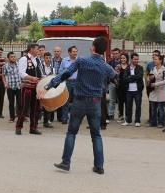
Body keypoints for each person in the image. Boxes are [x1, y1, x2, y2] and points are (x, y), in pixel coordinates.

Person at [41, 36, 116, 174]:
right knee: (96, 135)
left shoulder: (82, 60)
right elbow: (115, 78)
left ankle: (66, 162)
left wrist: (49, 85)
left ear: (93, 47)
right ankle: (99, 166)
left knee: (71, 132)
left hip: (80, 102)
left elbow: (66, 73)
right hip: (95, 103)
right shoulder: (106, 66)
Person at [16, 44, 43, 135]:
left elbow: (40, 72)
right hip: (27, 87)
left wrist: (44, 78)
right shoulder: (24, 59)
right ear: (31, 49)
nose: (38, 51)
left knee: (35, 109)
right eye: (37, 49)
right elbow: (21, 73)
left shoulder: (37, 59)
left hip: (37, 88)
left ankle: (33, 128)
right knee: (24, 108)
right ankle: (18, 127)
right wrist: (32, 78)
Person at [122, 53, 144, 127]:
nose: (136, 60)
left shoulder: (140, 68)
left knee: (138, 106)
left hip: (138, 90)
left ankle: (137, 121)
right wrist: (133, 78)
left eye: (137, 59)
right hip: (129, 90)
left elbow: (140, 77)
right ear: (131, 59)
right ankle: (128, 120)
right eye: (135, 59)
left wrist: (130, 77)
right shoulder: (127, 68)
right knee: (128, 106)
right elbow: (124, 79)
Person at [59, 46, 79, 124]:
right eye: (73, 51)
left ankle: (76, 119)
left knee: (77, 102)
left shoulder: (79, 61)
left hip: (77, 83)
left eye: (76, 51)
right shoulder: (64, 60)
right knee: (65, 101)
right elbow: (60, 71)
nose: (75, 53)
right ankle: (64, 118)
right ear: (69, 52)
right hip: (68, 83)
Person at [148, 54, 165, 128]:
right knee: (153, 108)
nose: (154, 60)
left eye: (156, 59)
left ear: (160, 60)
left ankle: (161, 122)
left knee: (161, 108)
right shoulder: (153, 69)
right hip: (153, 91)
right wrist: (149, 79)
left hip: (161, 91)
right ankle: (153, 122)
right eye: (154, 59)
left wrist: (156, 84)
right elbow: (149, 77)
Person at [3, 52, 22, 123]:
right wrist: (5, 83)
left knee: (20, 103)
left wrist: (22, 83)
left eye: (14, 56)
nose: (13, 58)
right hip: (10, 87)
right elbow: (3, 75)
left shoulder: (19, 64)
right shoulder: (5, 66)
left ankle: (20, 116)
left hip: (18, 86)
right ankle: (12, 117)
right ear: (8, 58)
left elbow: (22, 73)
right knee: (11, 103)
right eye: (12, 57)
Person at [40, 51, 55, 128]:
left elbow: (53, 78)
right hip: (41, 88)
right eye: (46, 58)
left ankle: (47, 121)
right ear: (44, 58)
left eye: (49, 58)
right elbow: (41, 77)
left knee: (48, 105)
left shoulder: (53, 68)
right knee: (39, 105)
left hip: (49, 89)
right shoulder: (40, 67)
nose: (48, 59)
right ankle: (37, 119)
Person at [106, 48, 121, 122]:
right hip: (112, 83)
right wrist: (113, 81)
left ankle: (120, 115)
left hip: (121, 84)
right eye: (114, 53)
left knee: (120, 100)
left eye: (116, 53)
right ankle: (111, 114)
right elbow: (108, 74)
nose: (115, 55)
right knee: (112, 100)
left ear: (119, 53)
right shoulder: (110, 63)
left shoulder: (123, 61)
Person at [115, 53, 129, 123]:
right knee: (120, 102)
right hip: (119, 87)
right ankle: (121, 116)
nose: (123, 59)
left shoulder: (129, 67)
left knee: (127, 102)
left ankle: (127, 116)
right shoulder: (118, 66)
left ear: (127, 59)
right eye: (121, 58)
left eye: (124, 58)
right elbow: (115, 76)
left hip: (127, 87)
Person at [52, 46, 65, 122]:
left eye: (58, 51)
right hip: (53, 81)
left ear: (60, 52)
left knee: (60, 99)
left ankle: (60, 117)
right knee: (52, 98)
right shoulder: (51, 60)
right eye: (55, 51)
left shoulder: (64, 61)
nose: (56, 53)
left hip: (60, 82)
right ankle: (51, 117)